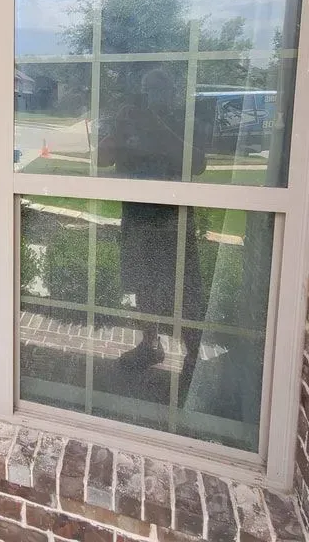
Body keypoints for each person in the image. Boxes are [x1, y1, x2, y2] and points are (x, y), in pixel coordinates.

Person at [98, 67, 208, 398]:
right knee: (142, 284)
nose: (152, 97)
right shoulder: (129, 122)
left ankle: (193, 355)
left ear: (172, 93)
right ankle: (150, 345)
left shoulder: (182, 120)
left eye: (158, 90)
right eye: (147, 90)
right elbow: (101, 159)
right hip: (137, 218)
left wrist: (158, 128)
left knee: (184, 288)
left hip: (174, 220)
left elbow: (198, 164)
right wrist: (118, 128)